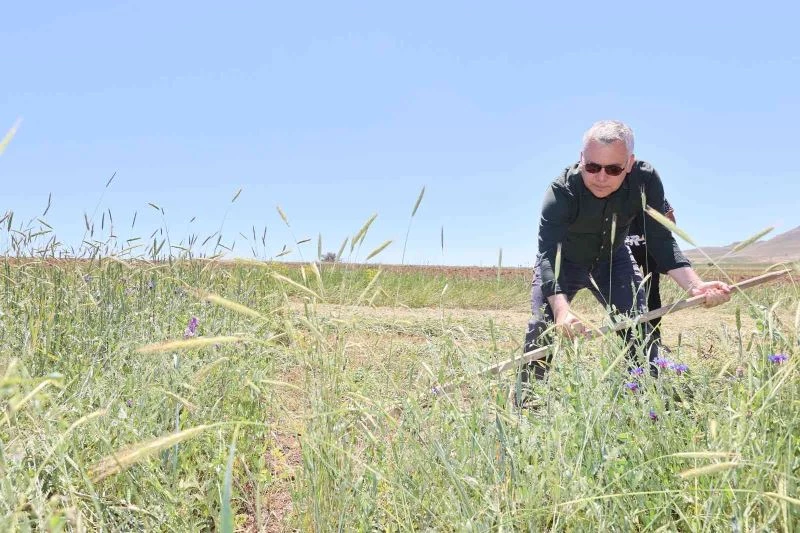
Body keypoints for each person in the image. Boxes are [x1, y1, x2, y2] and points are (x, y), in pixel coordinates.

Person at [519, 120, 730, 399]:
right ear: (581, 158)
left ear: (629, 163)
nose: (601, 177)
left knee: (638, 329)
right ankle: (527, 408)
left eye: (614, 169)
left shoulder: (645, 180)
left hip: (613, 260)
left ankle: (647, 405)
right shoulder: (560, 192)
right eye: (592, 167)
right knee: (540, 332)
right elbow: (548, 256)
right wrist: (562, 311)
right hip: (563, 263)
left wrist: (695, 286)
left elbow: (661, 239)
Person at [626, 198, 676, 347]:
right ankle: (632, 341)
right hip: (627, 250)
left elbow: (670, 219)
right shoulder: (618, 191)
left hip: (651, 251)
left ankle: (655, 338)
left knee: (652, 292)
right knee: (627, 293)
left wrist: (661, 240)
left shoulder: (654, 193)